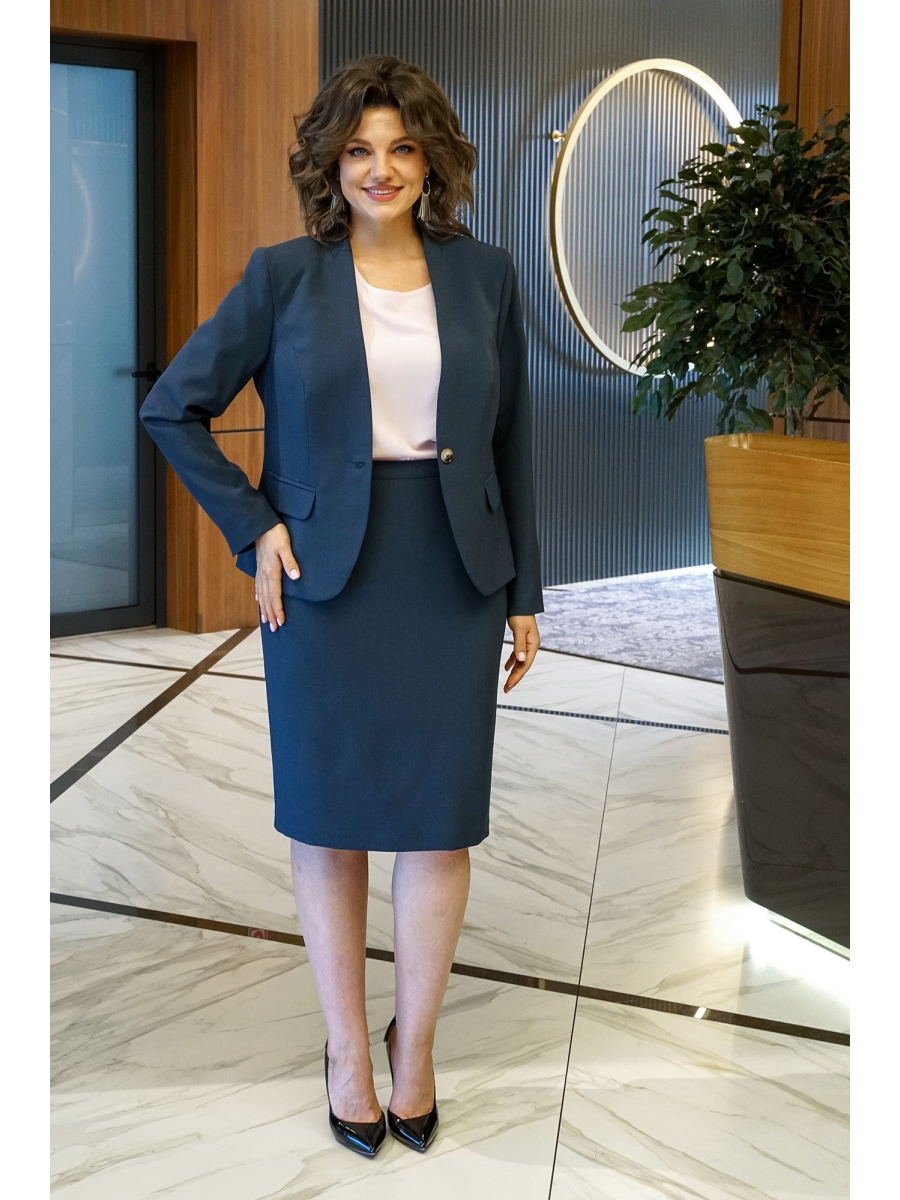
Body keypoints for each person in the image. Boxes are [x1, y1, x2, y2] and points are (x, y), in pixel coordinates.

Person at [140, 55, 542, 1157]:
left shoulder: (487, 276)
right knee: (329, 820)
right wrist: (255, 526)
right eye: (359, 149)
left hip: (454, 575)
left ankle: (416, 1051)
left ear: (433, 161)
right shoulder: (283, 276)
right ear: (331, 162)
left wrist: (525, 591)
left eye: (402, 147)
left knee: (439, 821)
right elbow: (175, 408)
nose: (381, 169)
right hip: (321, 581)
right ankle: (347, 1052)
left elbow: (513, 442)